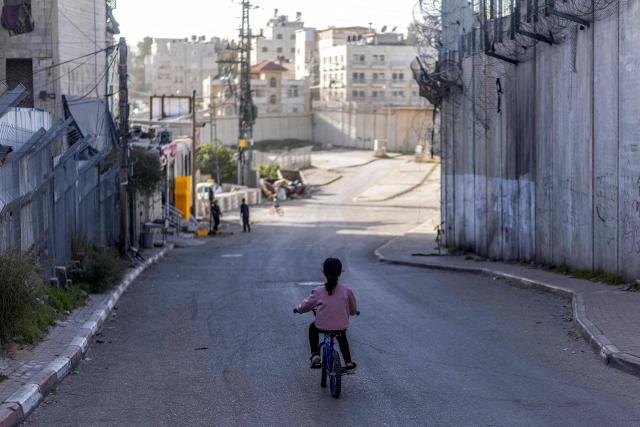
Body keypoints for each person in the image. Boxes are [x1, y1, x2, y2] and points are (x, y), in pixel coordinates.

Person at [294, 257, 358, 370]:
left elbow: (306, 306)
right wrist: (353, 312)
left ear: (324, 273)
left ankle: (315, 355)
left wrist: (298, 309)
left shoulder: (318, 291)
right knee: (342, 337)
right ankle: (348, 362)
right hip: (340, 326)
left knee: (312, 329)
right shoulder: (347, 290)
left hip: (322, 326)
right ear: (340, 273)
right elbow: (353, 310)